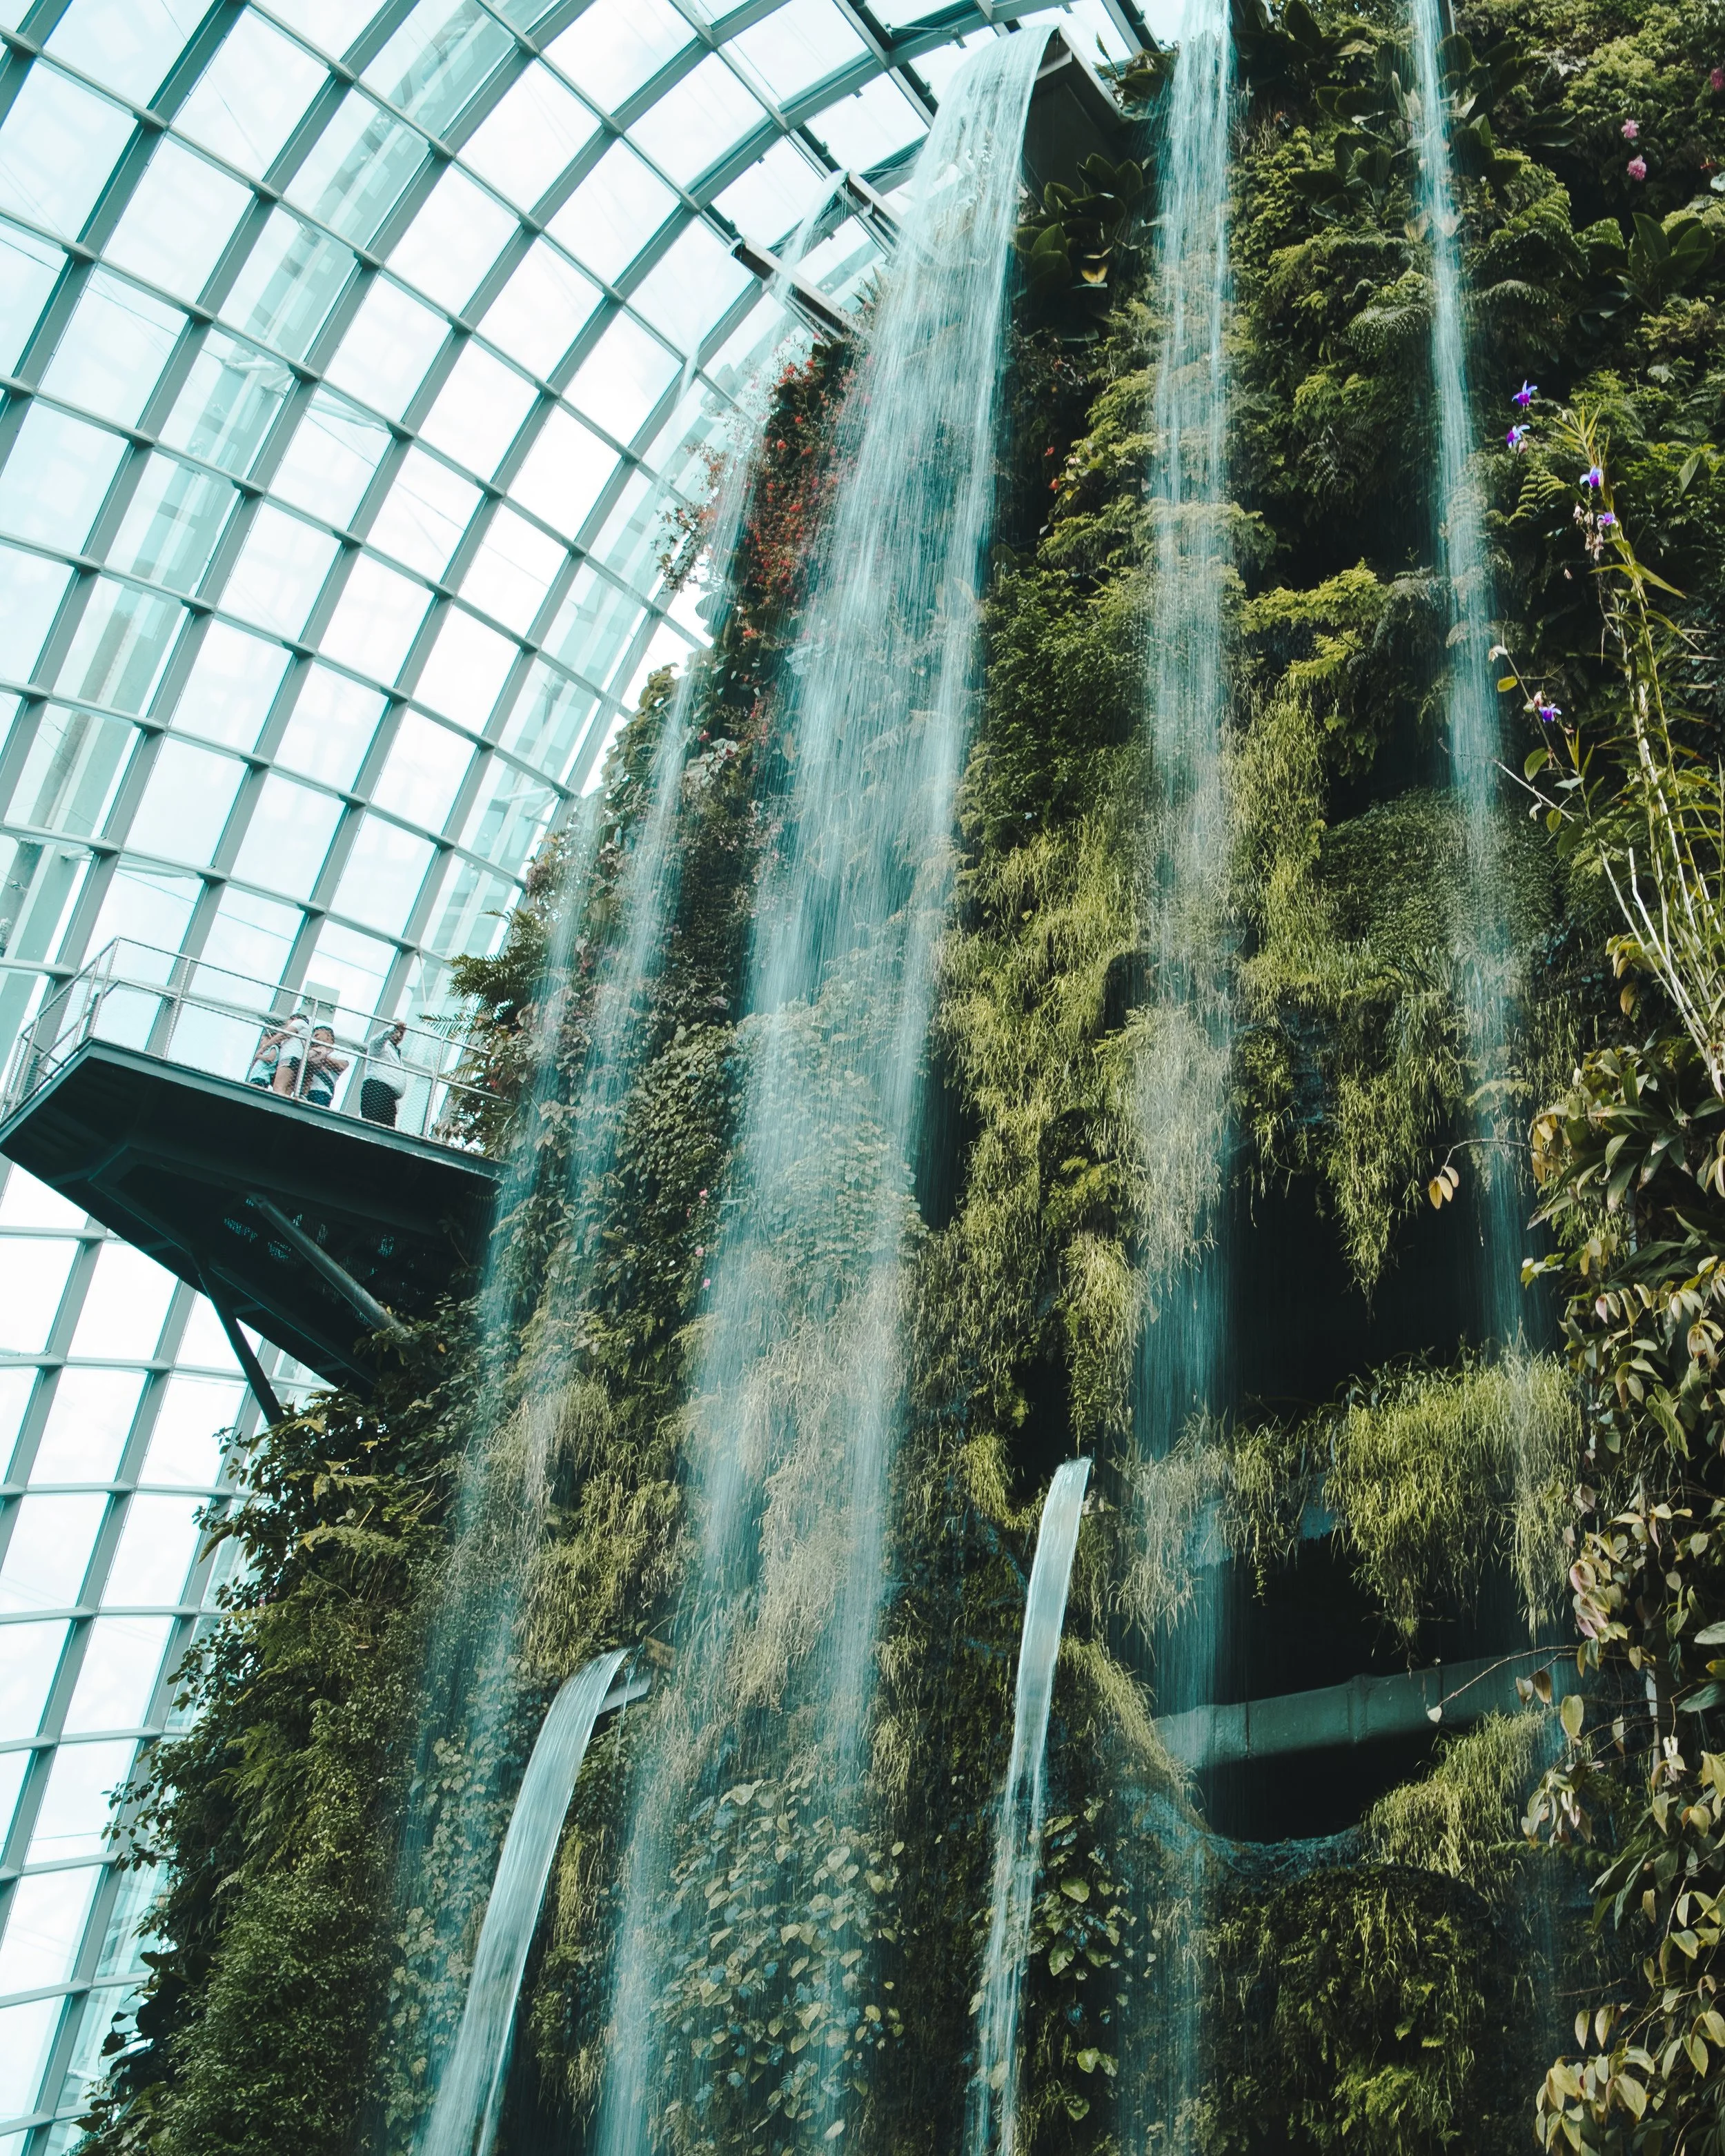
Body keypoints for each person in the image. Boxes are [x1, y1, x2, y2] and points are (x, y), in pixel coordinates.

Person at [361, 1019, 408, 1127]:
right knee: (373, 1126)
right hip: (378, 1090)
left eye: (402, 1033)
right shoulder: (380, 1047)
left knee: (387, 1130)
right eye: (397, 1031)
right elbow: (377, 1040)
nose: (399, 1035)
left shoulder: (396, 1053)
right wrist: (393, 1028)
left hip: (389, 1098)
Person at [251, 1010, 307, 1090]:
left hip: (290, 1058)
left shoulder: (299, 1022)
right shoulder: (302, 1033)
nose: (286, 1026)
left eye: (287, 1023)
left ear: (294, 1019)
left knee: (278, 1087)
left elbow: (284, 1034)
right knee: (286, 1089)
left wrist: (264, 1048)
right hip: (296, 1060)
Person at [297, 1025, 348, 1109]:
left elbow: (341, 1066)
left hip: (322, 1091)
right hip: (304, 1091)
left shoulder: (338, 1054)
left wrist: (320, 1055)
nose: (315, 1039)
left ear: (328, 1036)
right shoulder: (311, 1051)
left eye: (317, 1035)